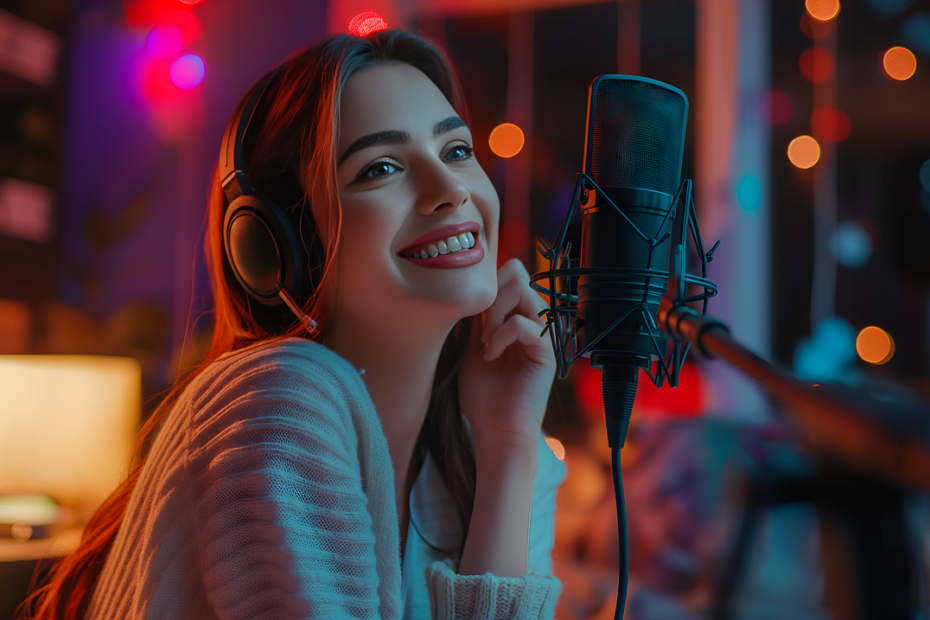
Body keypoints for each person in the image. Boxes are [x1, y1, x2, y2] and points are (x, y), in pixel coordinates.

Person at [21, 28, 567, 620]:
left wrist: (509, 444)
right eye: (381, 167)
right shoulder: (279, 405)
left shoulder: (488, 445)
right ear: (278, 246)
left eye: (457, 151)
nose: (450, 190)